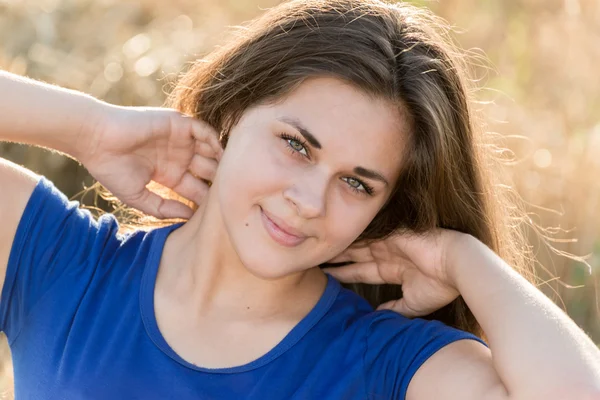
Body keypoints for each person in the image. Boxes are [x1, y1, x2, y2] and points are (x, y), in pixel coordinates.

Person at [0, 0, 599, 398]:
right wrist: (90, 130)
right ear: (232, 111)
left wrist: (464, 261)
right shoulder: (62, 267)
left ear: (382, 209)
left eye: (357, 183)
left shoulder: (387, 364)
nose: (311, 200)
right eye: (296, 145)